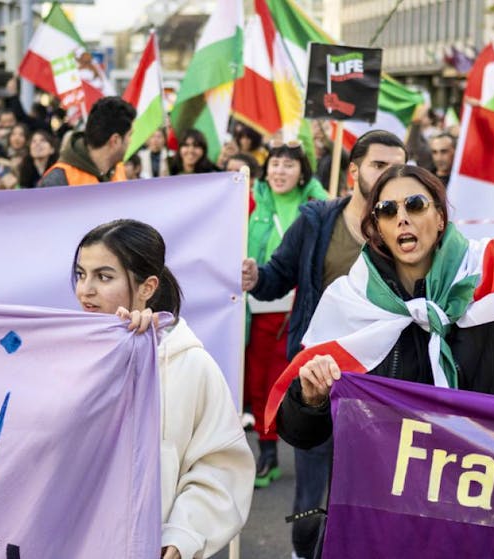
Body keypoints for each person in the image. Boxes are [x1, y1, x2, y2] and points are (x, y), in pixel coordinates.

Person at [268, 118, 494, 558]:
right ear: (377, 228)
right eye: (387, 210)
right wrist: (310, 397)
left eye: (416, 204)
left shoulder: (486, 275)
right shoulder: (352, 304)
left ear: (439, 218)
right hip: (397, 514)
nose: (402, 217)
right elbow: (300, 432)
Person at [240, 130, 408, 559]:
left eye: (398, 166)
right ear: (353, 172)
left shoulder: (408, 228)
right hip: (318, 381)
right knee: (311, 506)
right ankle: (304, 552)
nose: (391, 175)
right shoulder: (317, 221)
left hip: (383, 387)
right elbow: (278, 275)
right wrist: (255, 276)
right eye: (379, 165)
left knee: (374, 494)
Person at [72, 219, 253, 559]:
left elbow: (221, 465)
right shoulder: (63, 356)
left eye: (104, 276)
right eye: (81, 274)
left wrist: (184, 534)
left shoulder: (190, 365)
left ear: (147, 287)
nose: (86, 290)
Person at [246, 142, 329, 489]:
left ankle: (294, 447)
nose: (279, 171)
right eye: (274, 164)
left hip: (296, 313)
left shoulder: (317, 209)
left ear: (302, 174)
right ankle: (266, 452)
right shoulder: (251, 201)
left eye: (289, 165)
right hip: (255, 307)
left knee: (285, 384)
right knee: (256, 383)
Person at [39, 96, 134, 187]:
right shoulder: (58, 181)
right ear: (115, 140)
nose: (131, 141)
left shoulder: (118, 170)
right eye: (130, 135)